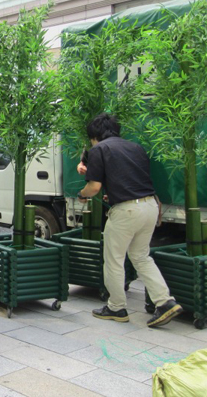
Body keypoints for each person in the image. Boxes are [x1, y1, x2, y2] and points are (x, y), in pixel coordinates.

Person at [77, 113, 182, 328]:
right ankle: (165, 302)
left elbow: (94, 188)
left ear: (94, 136)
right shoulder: (135, 147)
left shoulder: (99, 149)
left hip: (126, 212)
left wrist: (82, 194)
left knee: (114, 259)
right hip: (150, 206)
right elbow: (130, 179)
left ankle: (116, 307)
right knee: (141, 256)